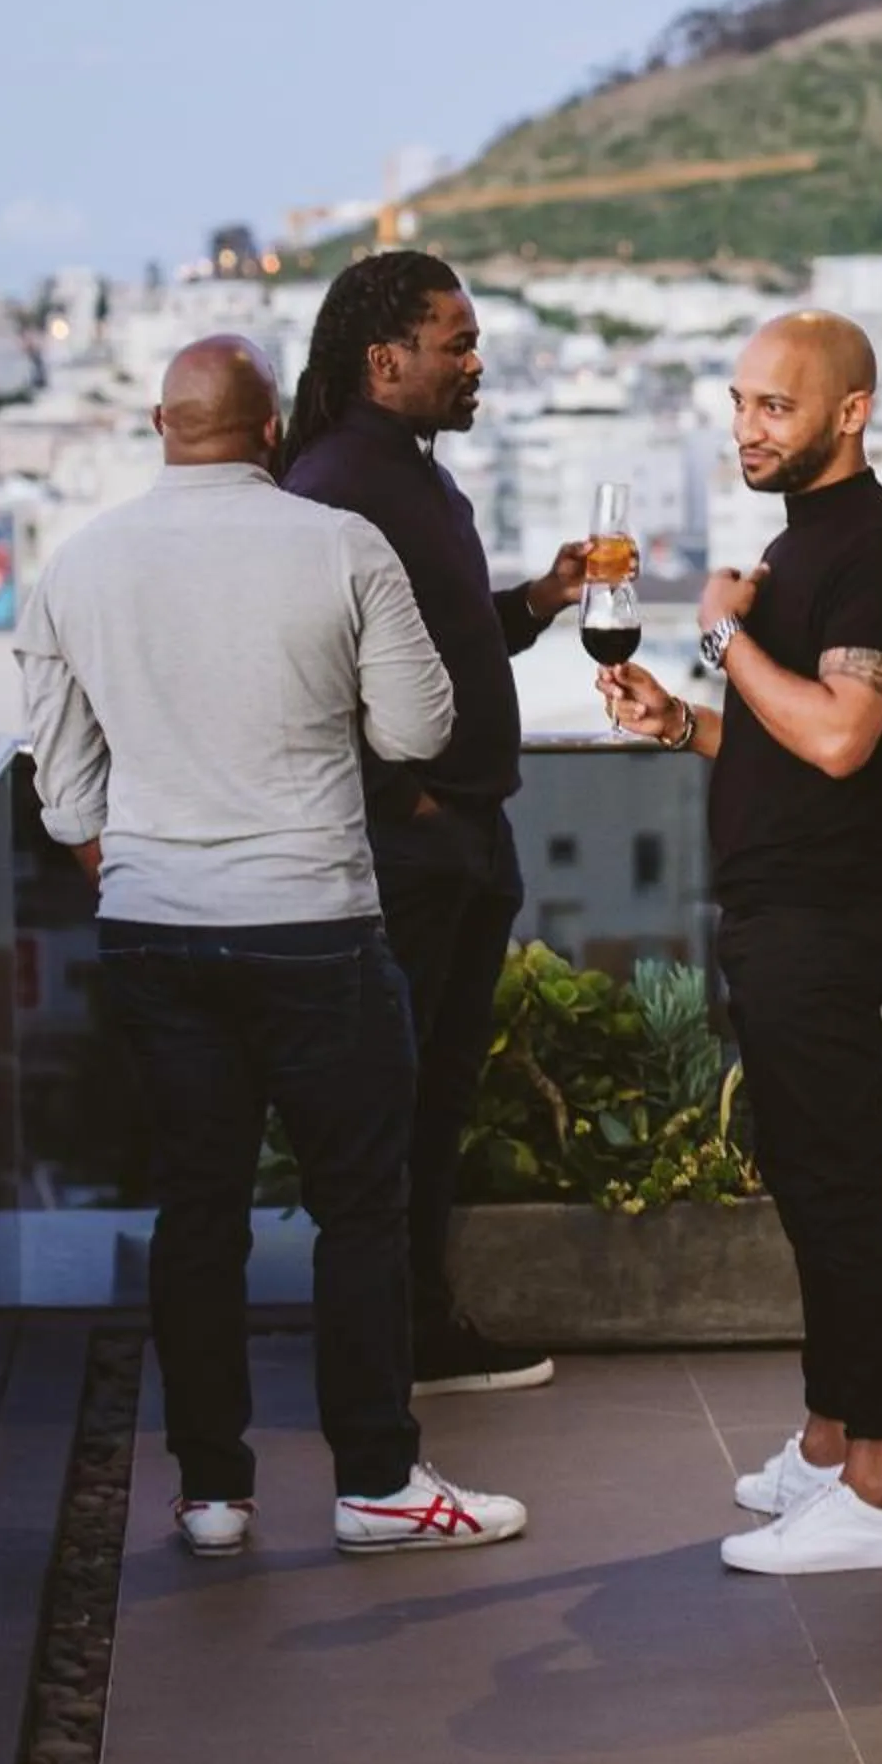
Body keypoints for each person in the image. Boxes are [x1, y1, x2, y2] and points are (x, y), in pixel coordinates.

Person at [19, 335, 525, 1559]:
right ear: (271, 434)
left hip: (155, 926)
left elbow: (67, 798)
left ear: (161, 425)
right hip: (315, 922)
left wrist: (149, 855)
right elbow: (419, 727)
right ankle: (375, 1480)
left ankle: (211, 1491)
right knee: (361, 1206)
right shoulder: (340, 546)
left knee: (199, 1208)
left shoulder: (74, 567)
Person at [598, 310, 882, 1575]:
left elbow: (845, 735)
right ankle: (828, 1440)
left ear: (850, 412)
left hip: (827, 912)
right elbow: (789, 738)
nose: (748, 428)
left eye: (776, 406)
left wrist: (718, 633)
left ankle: (880, 1486)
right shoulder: (803, 546)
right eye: (740, 402)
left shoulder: (878, 553)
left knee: (842, 1190)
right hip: (782, 901)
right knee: (808, 1181)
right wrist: (684, 722)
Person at [282, 252, 586, 1398]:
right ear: (384, 359)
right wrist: (398, 799)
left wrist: (539, 600)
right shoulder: (334, 484)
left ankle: (418, 1323)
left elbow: (447, 641)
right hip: (414, 845)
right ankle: (390, 1339)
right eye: (456, 343)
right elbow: (307, 673)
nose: (475, 363)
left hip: (459, 834)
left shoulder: (407, 473)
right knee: (395, 1099)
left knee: (437, 1090)